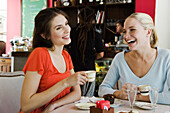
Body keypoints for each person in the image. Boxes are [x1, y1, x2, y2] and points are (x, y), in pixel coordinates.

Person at [20, 8, 88, 113]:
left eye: (66, 24)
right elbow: (26, 105)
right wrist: (65, 83)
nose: (67, 30)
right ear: (45, 35)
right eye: (59, 28)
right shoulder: (39, 54)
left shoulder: (65, 55)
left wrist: (54, 105)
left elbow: (77, 93)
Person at [98, 13, 170, 105]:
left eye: (132, 30)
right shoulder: (120, 58)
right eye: (124, 31)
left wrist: (138, 96)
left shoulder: (166, 57)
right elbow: (102, 89)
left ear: (148, 32)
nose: (126, 37)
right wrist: (119, 94)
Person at [68, 6, 104, 97]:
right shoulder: (96, 34)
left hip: (73, 69)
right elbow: (101, 54)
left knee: (74, 97)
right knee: (88, 98)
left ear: (79, 18)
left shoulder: (71, 32)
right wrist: (92, 57)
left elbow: (65, 49)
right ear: (93, 19)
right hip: (89, 71)